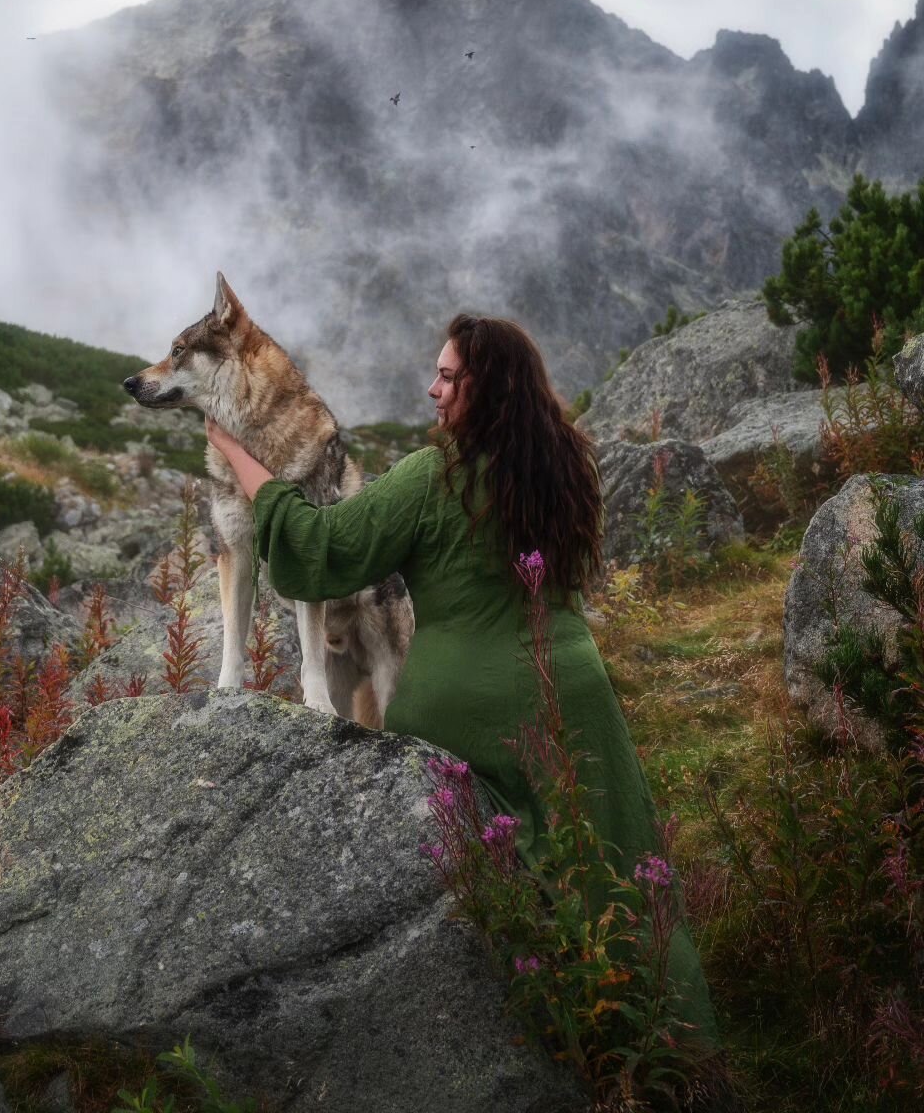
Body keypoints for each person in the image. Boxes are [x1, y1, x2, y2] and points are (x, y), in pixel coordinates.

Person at [204, 313, 718, 1048]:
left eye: (448, 377)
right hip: (578, 698)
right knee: (616, 870)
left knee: (495, 910)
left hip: (465, 718)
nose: (432, 390)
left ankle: (537, 1054)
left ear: (490, 388)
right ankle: (668, 1049)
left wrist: (237, 452)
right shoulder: (572, 466)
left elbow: (318, 549)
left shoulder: (431, 478)